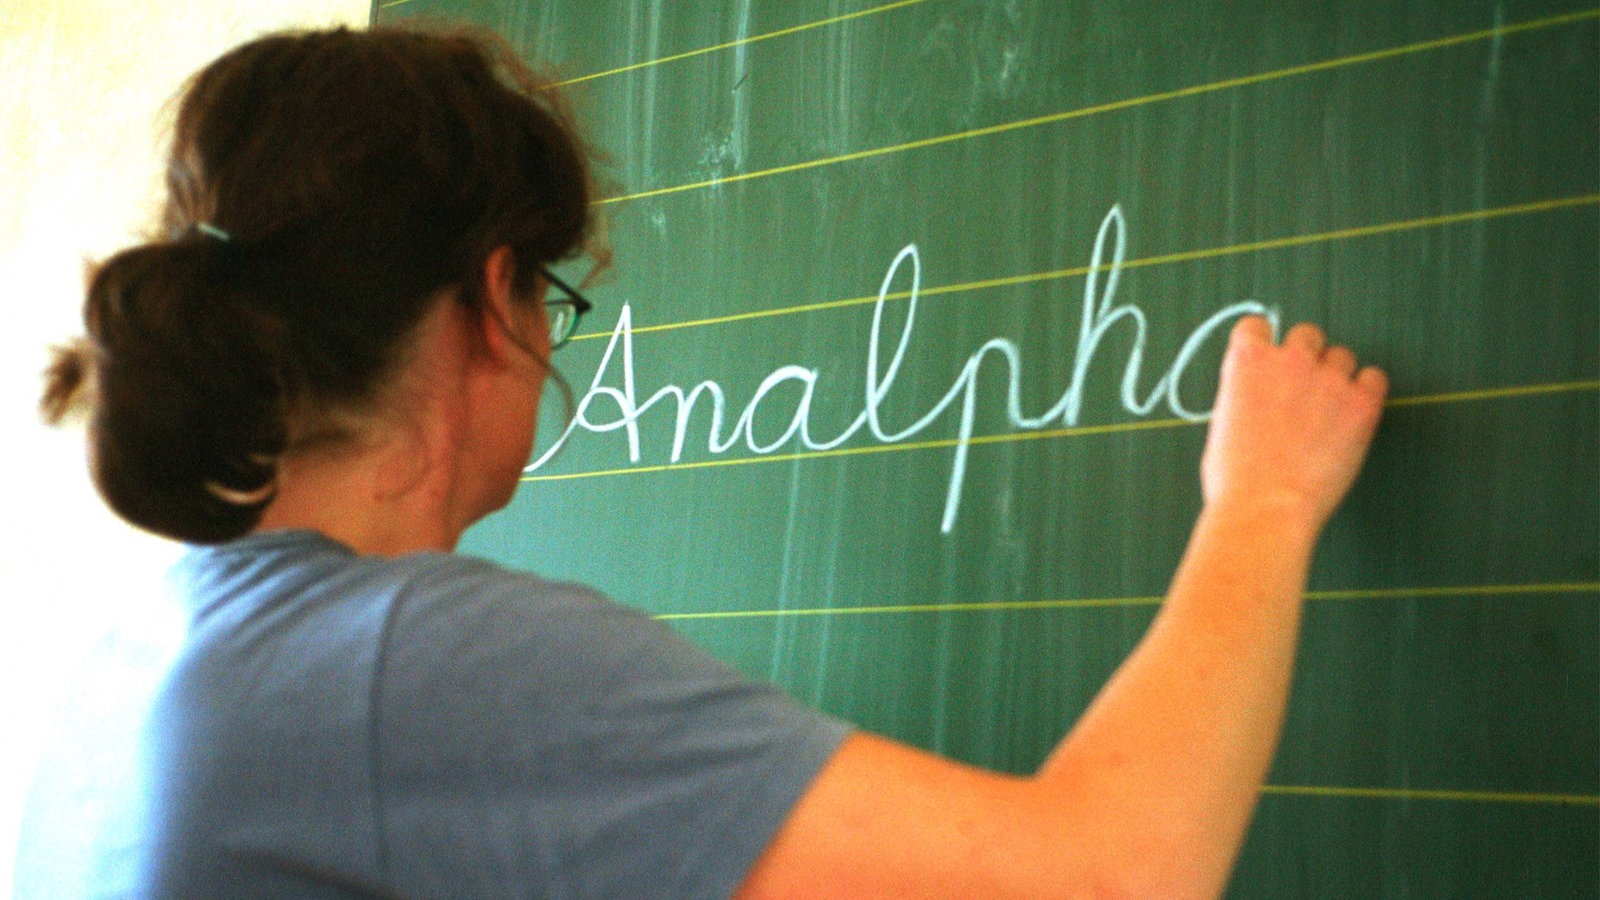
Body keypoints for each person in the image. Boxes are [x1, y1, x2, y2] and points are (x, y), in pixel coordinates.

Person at [40, 24, 1387, 900]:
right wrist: (1264, 501)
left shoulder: (136, 655)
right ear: (488, 300)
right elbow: (1110, 875)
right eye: (552, 299)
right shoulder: (412, 664)